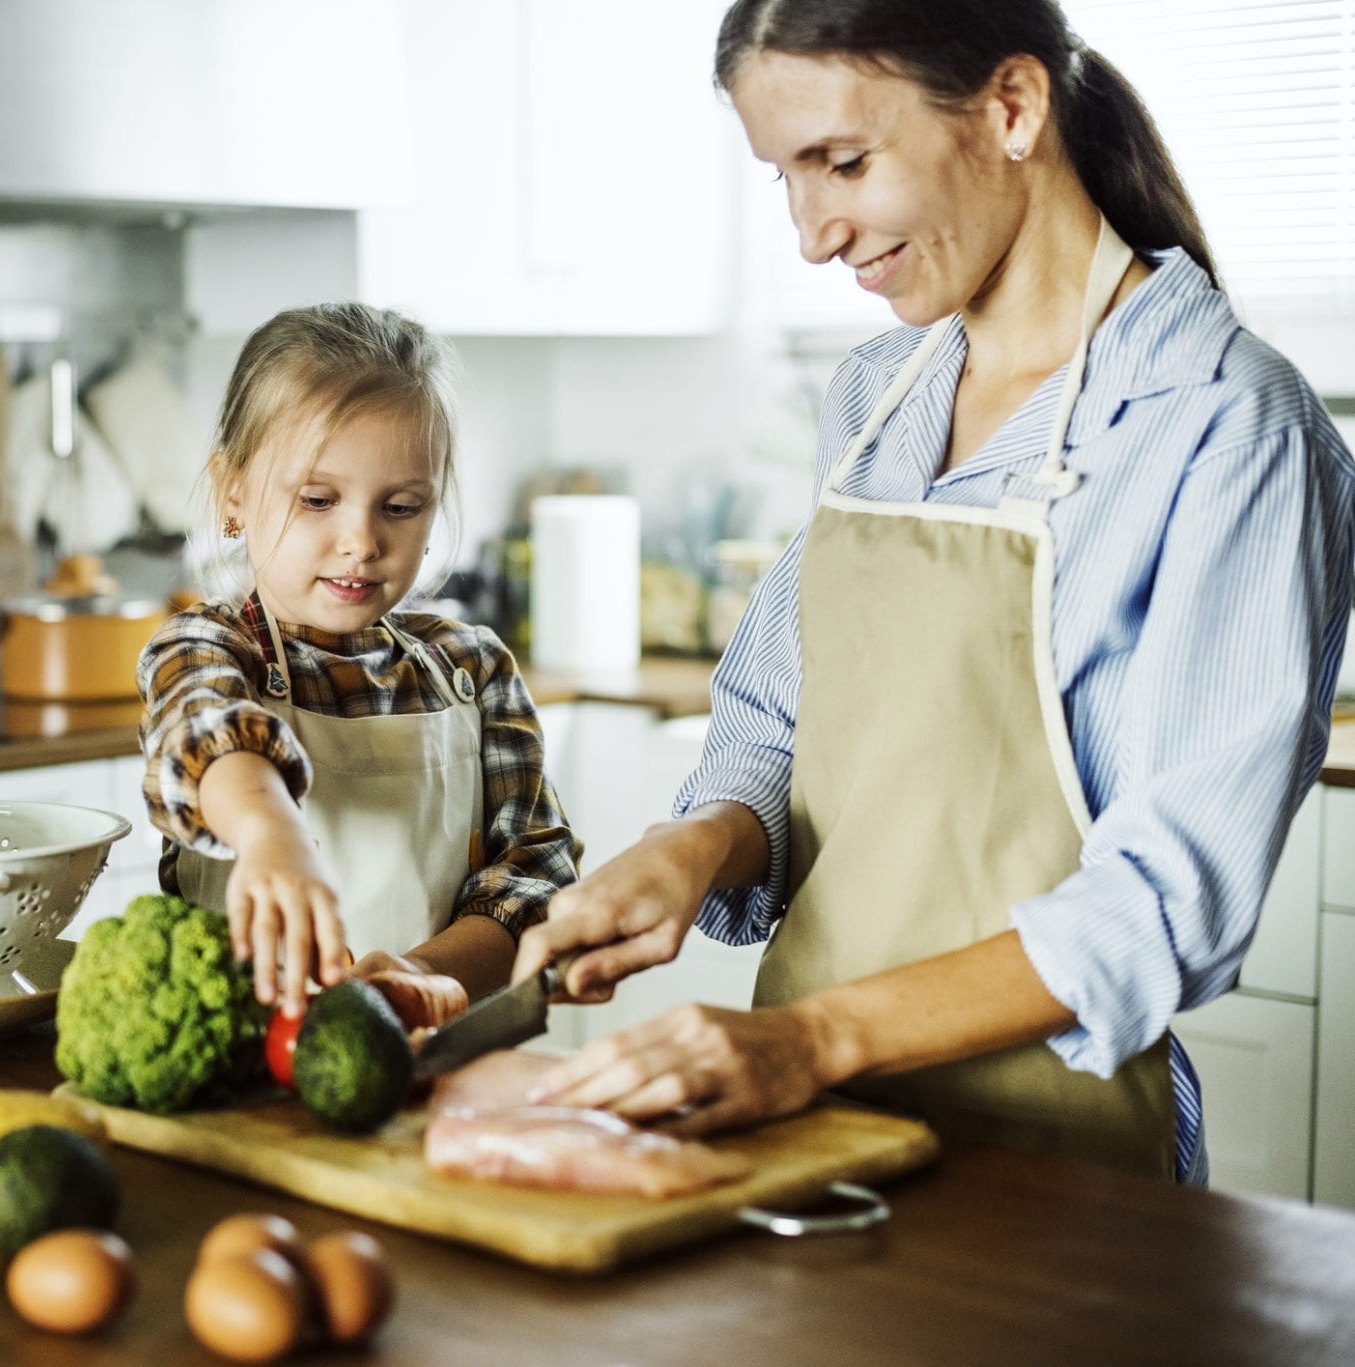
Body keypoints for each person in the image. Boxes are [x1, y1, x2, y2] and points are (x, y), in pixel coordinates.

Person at [513, 0, 1355, 1181]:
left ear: (1010, 109)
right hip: (811, 1136)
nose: (813, 234)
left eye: (842, 163)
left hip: (1051, 1168)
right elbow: (776, 723)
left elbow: (1167, 906)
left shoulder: (1225, 423)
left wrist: (807, 1039)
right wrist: (694, 845)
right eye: (785, 181)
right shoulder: (876, 397)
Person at [139, 302, 580, 1023]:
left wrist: (413, 980)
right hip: (245, 1068)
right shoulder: (208, 647)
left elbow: (533, 886)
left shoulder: (475, 671)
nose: (361, 539)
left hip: (435, 1058)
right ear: (234, 495)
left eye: (400, 507)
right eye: (318, 499)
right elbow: (205, 731)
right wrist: (271, 834)